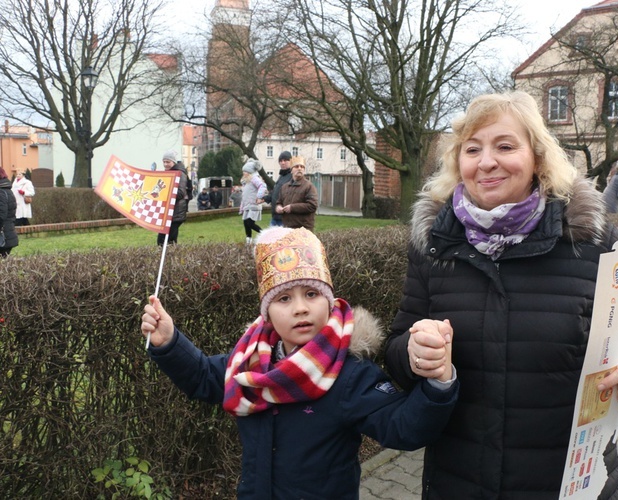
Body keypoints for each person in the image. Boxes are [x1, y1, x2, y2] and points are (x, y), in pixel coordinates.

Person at [384, 91, 618, 499]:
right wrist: (414, 355)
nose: (486, 161)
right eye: (472, 149)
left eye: (504, 146)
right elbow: (397, 350)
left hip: (568, 483)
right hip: (460, 483)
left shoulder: (594, 241)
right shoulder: (433, 245)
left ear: (538, 158)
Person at [140, 227, 458, 498]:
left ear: (329, 301)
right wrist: (170, 342)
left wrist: (438, 382)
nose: (300, 309)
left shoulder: (350, 376)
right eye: (283, 299)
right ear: (267, 313)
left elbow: (403, 428)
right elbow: (204, 378)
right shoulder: (250, 363)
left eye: (311, 294)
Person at [276, 156, 318, 231]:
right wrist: (278, 207)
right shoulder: (284, 187)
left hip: (304, 229)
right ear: (291, 170)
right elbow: (279, 202)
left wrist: (292, 208)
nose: (299, 168)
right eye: (296, 166)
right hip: (287, 228)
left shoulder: (309, 186)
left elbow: (312, 206)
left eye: (302, 167)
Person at [157, 150, 188, 246]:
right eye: (164, 162)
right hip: (169, 213)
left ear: (173, 162)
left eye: (168, 162)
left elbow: (181, 193)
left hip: (176, 213)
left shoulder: (180, 173)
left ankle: (171, 259)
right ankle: (171, 259)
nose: (165, 164)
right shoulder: (170, 173)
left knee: (166, 241)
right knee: (166, 241)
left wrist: (165, 192)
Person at [239, 160, 268, 244]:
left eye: (245, 171)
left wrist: (259, 197)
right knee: (246, 223)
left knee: (250, 223)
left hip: (253, 205)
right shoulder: (246, 182)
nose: (243, 173)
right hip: (247, 206)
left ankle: (264, 234)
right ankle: (248, 240)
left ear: (250, 172)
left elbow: (262, 186)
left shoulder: (254, 179)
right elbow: (244, 196)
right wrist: (242, 207)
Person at [264, 151, 293, 227]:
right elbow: (275, 192)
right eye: (280, 161)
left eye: (285, 160)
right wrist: (264, 199)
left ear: (291, 161)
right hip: (275, 216)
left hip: (285, 218)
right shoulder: (282, 176)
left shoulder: (293, 176)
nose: (282, 163)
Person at [0, 167, 19, 257]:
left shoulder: (1, 192)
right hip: (8, 234)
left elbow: (1, 216)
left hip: (3, 237)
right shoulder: (7, 190)